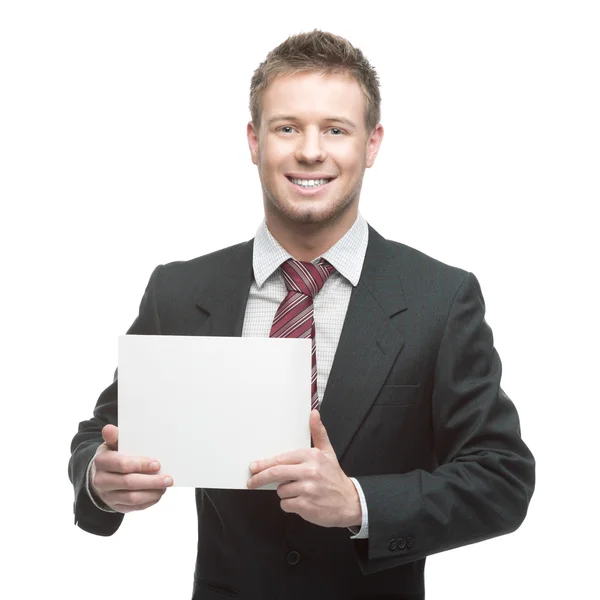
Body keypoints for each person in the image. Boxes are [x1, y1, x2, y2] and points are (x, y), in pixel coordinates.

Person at [69, 30, 535, 599]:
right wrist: (99, 478)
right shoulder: (181, 290)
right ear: (253, 140)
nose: (310, 151)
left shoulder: (441, 297)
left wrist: (358, 503)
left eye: (335, 130)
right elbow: (103, 433)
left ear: (371, 144)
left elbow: (502, 478)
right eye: (287, 127)